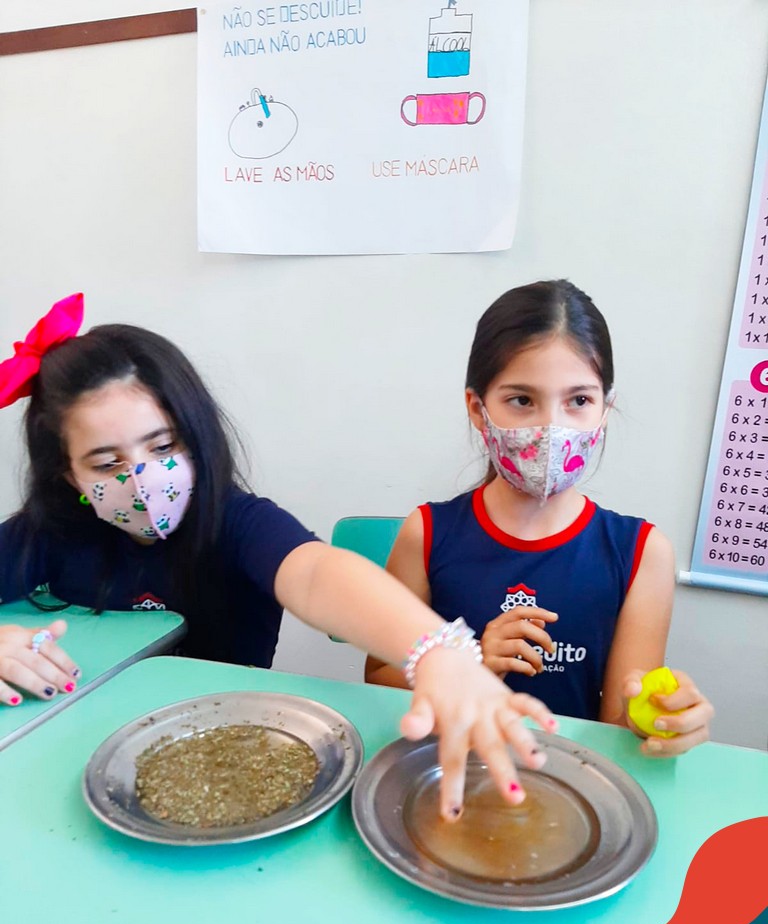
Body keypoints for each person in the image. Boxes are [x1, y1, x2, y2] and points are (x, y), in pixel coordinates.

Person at [0, 293, 558, 818]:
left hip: (224, 763)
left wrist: (438, 651)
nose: (143, 479)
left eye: (163, 446)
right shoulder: (50, 532)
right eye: (106, 464)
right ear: (68, 474)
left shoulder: (238, 523)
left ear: (197, 436)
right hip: (71, 757)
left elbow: (315, 573)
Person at [366, 280, 714, 756]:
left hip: (567, 778)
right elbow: (377, 679)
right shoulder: (426, 534)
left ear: (605, 408)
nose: (552, 428)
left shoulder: (641, 553)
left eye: (579, 401)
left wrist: (661, 717)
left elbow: (620, 723)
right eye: (522, 400)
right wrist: (468, 664)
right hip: (443, 766)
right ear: (478, 408)